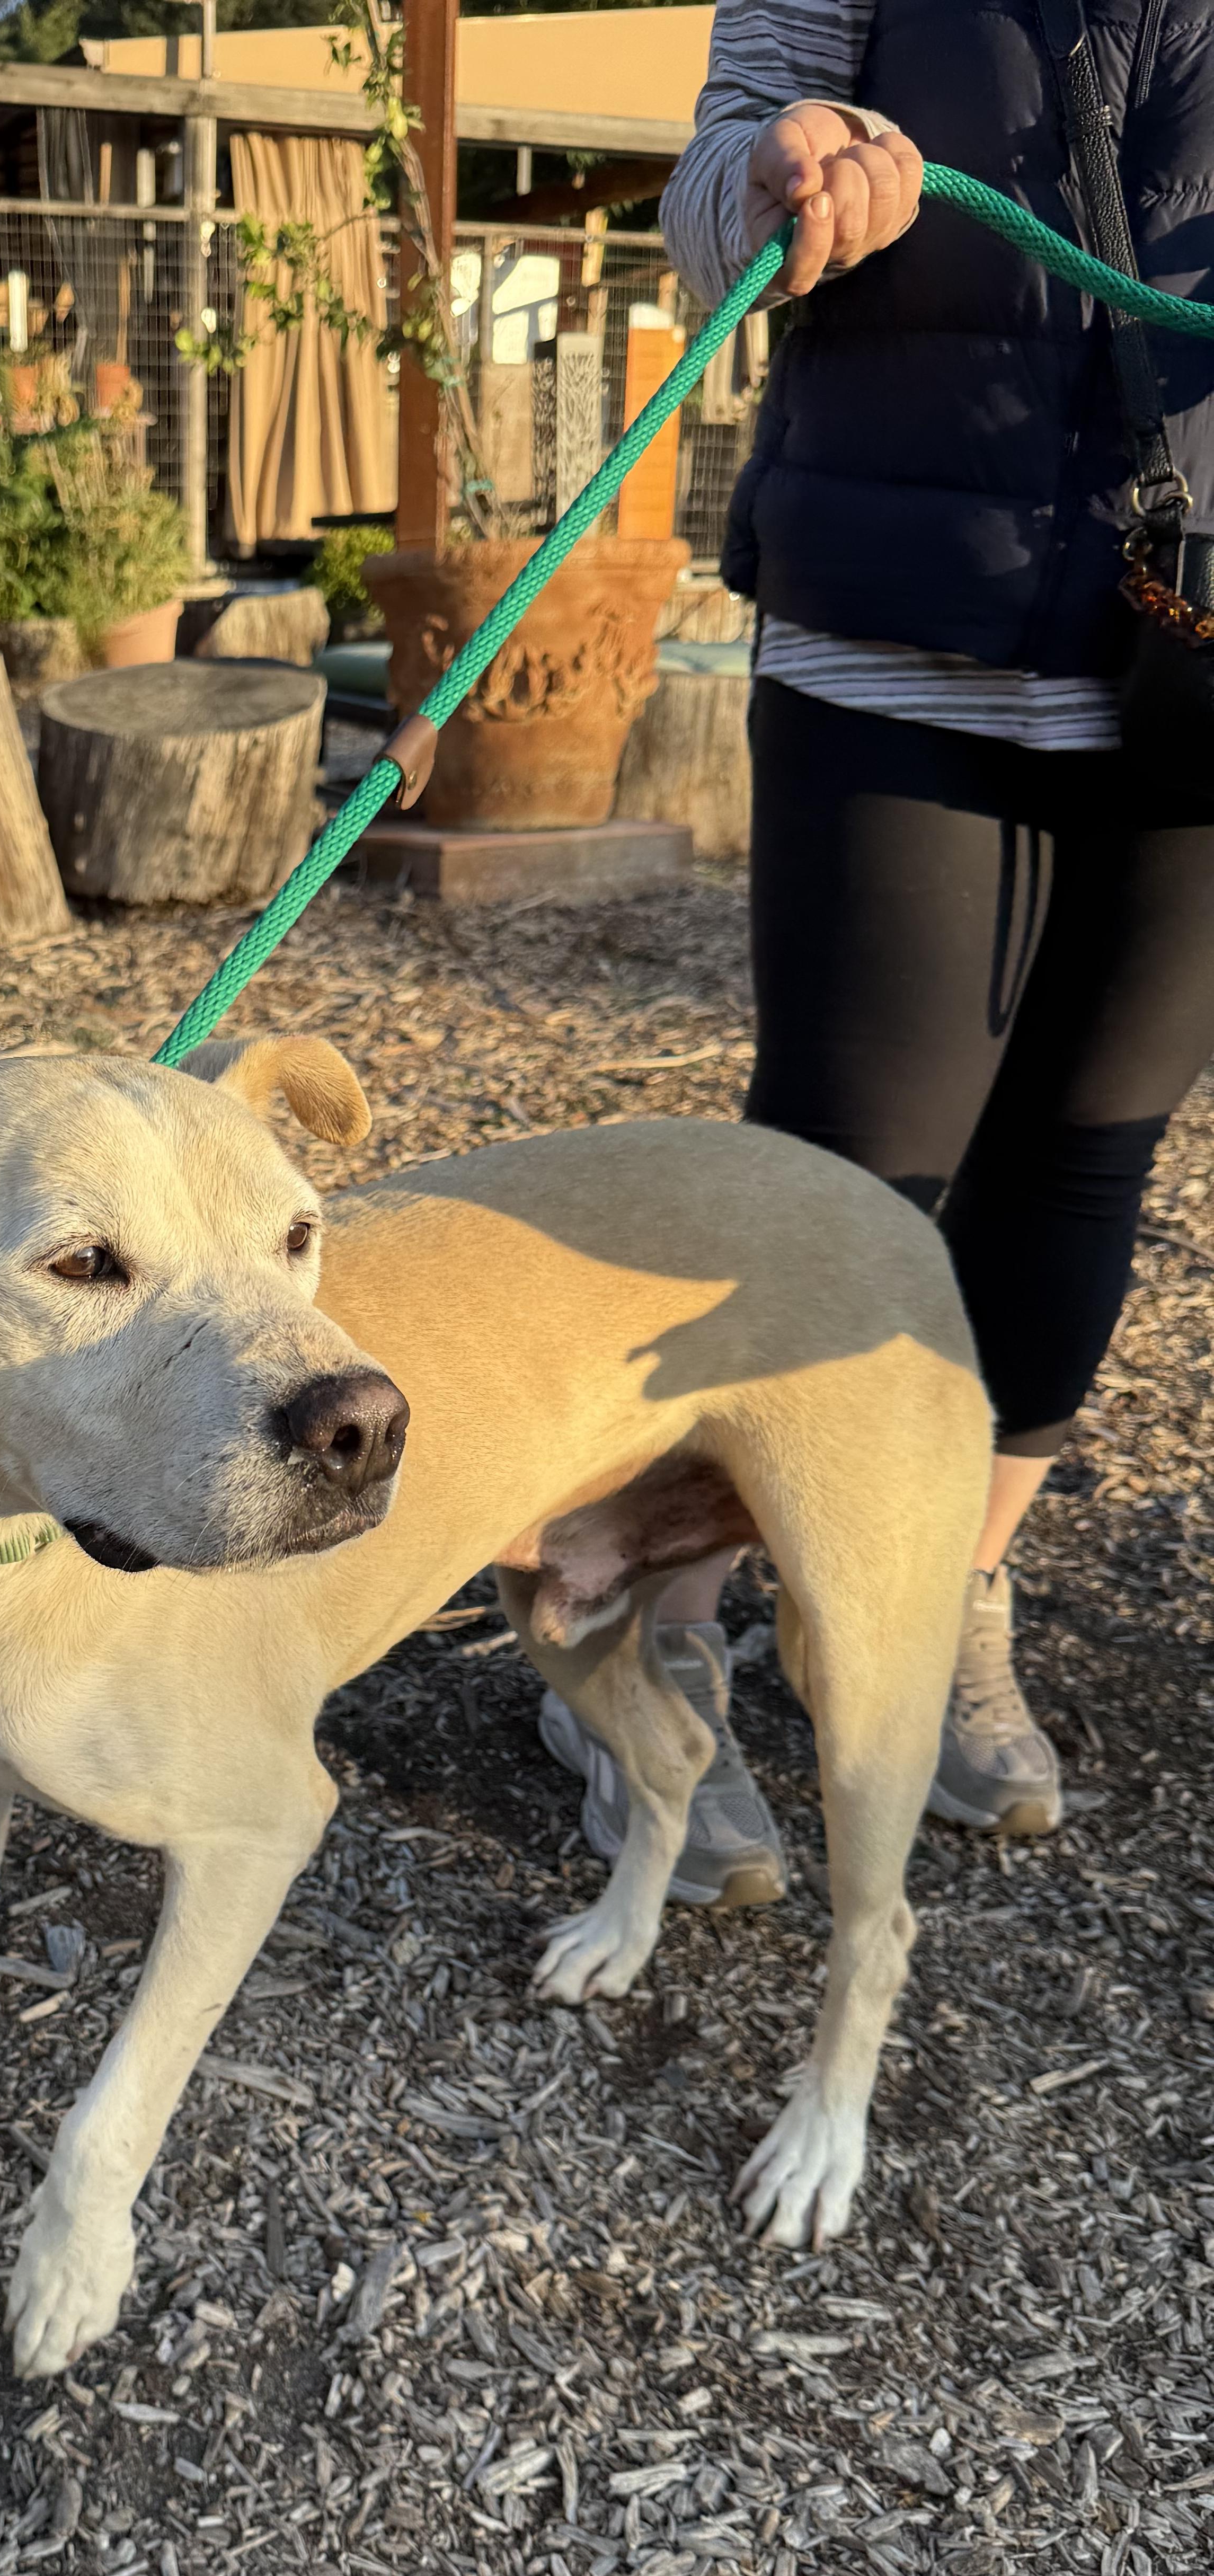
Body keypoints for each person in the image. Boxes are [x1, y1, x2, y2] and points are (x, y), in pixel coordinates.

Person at [540, 6, 1214, 1905]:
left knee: (1089, 1148)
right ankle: (642, 1621)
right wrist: (773, 172)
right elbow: (703, 196)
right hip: (908, 641)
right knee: (840, 1180)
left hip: (1201, 651)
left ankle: (932, 1592)